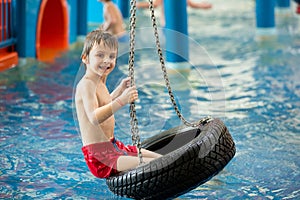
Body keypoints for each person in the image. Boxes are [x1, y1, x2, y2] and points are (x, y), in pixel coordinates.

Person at [75, 29, 161, 179]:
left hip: (114, 147)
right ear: (85, 58)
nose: (107, 60)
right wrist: (122, 100)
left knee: (162, 159)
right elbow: (94, 117)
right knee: (156, 166)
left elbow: (103, 102)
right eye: (100, 55)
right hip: (100, 158)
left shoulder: (99, 80)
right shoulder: (86, 84)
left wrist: (119, 91)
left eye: (111, 56)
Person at [137, 0, 212, 27]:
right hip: (174, 23)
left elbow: (155, 4)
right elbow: (155, 4)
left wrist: (201, 6)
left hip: (168, 24)